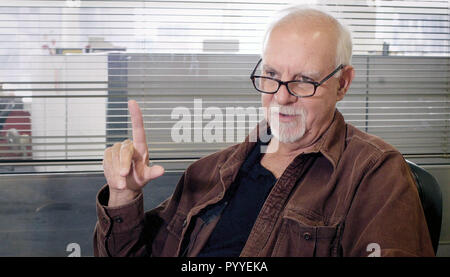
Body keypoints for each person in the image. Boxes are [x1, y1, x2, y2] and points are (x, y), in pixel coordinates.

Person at [93, 6, 434, 257]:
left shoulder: (374, 172)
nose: (281, 96)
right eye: (271, 75)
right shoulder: (210, 171)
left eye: (303, 81)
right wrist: (124, 197)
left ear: (342, 83)